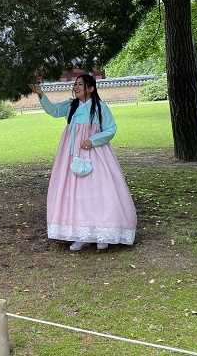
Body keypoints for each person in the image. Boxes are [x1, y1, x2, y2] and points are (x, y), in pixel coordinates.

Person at [29, 74, 137, 251]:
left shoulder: (99, 107)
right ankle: (80, 234)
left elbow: (111, 129)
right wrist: (41, 95)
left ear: (91, 88)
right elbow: (54, 111)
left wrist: (93, 140)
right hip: (72, 154)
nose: (76, 87)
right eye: (75, 84)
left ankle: (103, 233)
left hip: (96, 153)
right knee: (75, 192)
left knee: (99, 190)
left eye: (81, 84)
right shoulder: (71, 105)